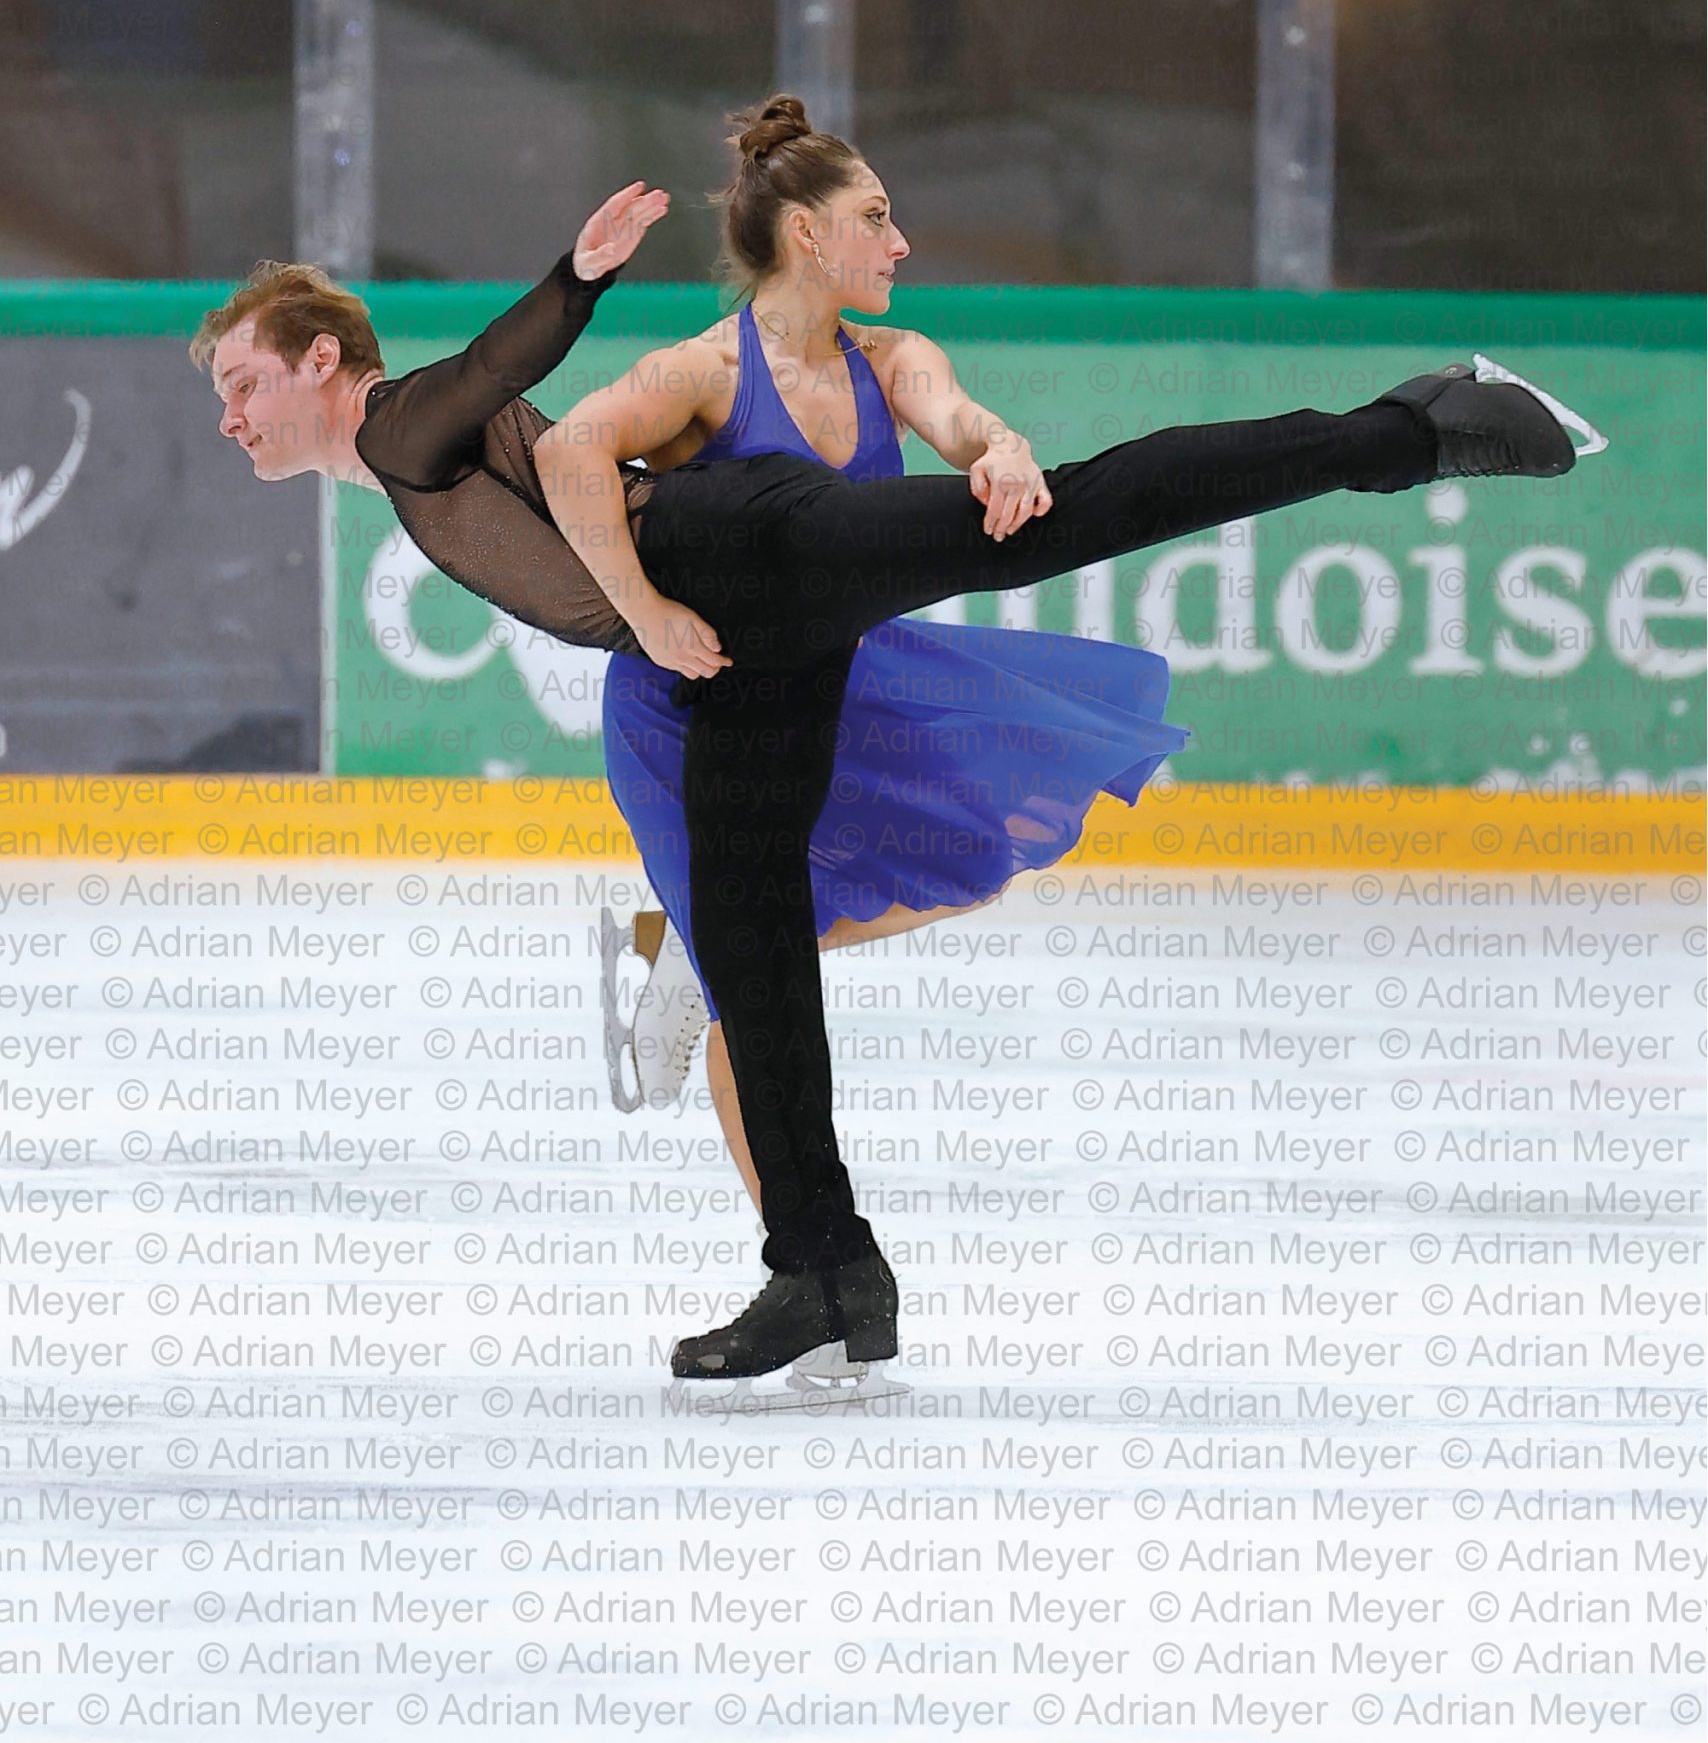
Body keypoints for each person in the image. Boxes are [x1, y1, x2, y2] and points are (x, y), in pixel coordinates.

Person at [192, 140, 1603, 1395]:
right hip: (739, 649)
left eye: (245, 383)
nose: (232, 417)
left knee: (1069, 520)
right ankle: (823, 1270)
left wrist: (577, 294)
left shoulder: (393, 422)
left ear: (323, 361)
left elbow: (511, 390)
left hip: (737, 557)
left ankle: (1410, 431)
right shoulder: (396, 460)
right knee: (754, 955)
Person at [598, 97, 1190, 1231]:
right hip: (693, 704)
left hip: (847, 681)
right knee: (752, 996)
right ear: (807, 235)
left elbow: (961, 421)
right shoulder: (698, 372)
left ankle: (681, 944)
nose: (901, 241)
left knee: (964, 857)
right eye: (876, 217)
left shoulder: (894, 358)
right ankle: (802, 1261)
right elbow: (568, 467)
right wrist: (644, 610)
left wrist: (1004, 450)